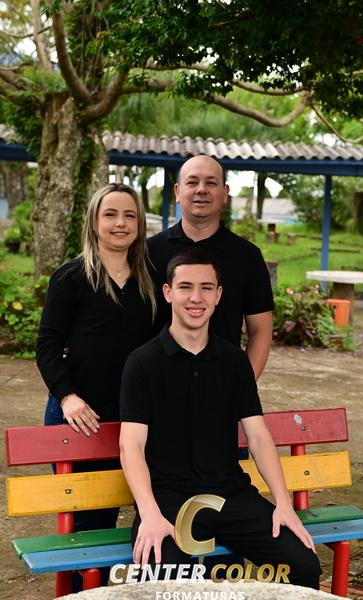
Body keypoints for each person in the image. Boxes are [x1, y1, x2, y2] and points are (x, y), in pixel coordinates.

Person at [119, 247, 321, 589]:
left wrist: (283, 504)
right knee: (161, 579)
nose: (196, 298)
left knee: (303, 565)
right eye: (185, 287)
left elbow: (258, 437)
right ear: (168, 292)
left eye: (206, 287)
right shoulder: (142, 363)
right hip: (169, 499)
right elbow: (131, 446)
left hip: (231, 495)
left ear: (218, 295)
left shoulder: (234, 362)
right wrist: (150, 513)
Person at [36, 182, 156, 589]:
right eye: (111, 214)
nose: (120, 223)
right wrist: (67, 397)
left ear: (139, 224)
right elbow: (47, 345)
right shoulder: (71, 277)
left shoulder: (151, 279)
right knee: (88, 524)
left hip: (133, 419)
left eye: (129, 215)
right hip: (80, 418)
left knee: (136, 512)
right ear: (93, 222)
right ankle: (80, 593)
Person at [148, 154, 274, 381]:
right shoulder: (148, 253)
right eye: (192, 182)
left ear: (225, 193)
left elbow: (260, 331)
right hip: (157, 384)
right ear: (177, 191)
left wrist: (242, 388)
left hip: (222, 383)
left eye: (211, 183)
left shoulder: (247, 256)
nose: (201, 189)